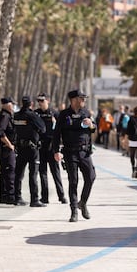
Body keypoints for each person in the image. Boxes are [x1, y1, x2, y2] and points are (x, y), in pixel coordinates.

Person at [52, 89, 96, 222]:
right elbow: (56, 134)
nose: (84, 100)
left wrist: (91, 125)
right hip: (70, 152)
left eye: (84, 98)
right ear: (74, 100)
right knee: (73, 181)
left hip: (85, 151)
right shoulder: (64, 115)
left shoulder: (86, 112)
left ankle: (82, 202)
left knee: (91, 177)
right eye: (81, 98)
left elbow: (94, 128)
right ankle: (73, 211)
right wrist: (56, 151)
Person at [14, 96, 46, 207]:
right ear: (31, 104)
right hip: (32, 149)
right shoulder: (32, 115)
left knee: (18, 174)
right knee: (33, 174)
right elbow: (43, 129)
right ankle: (34, 199)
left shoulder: (16, 115)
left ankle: (17, 198)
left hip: (20, 147)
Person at [35, 93, 67, 204]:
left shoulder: (55, 113)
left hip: (52, 146)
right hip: (41, 146)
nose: (40, 103)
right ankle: (44, 197)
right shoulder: (36, 113)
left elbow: (62, 131)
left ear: (48, 100)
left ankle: (61, 195)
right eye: (38, 101)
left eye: (42, 101)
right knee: (42, 173)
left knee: (55, 172)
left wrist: (60, 148)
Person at [0, 97, 16, 205]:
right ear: (6, 104)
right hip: (5, 148)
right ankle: (10, 196)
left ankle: (5, 195)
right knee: (9, 171)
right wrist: (9, 144)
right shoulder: (4, 116)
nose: (13, 106)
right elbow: (0, 132)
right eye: (11, 104)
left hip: (3, 147)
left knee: (5, 172)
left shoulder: (4, 115)